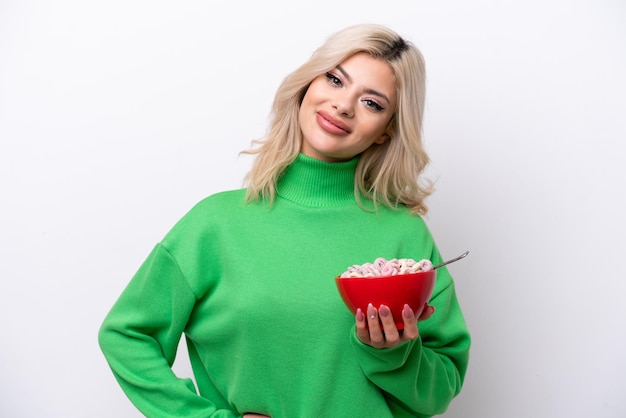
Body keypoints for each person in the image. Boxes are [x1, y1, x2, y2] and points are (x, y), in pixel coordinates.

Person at [98, 23, 471, 418]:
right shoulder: (215, 224)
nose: (344, 105)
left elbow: (440, 389)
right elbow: (126, 334)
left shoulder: (404, 236)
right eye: (335, 79)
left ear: (386, 132)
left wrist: (395, 355)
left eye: (372, 103)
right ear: (307, 86)